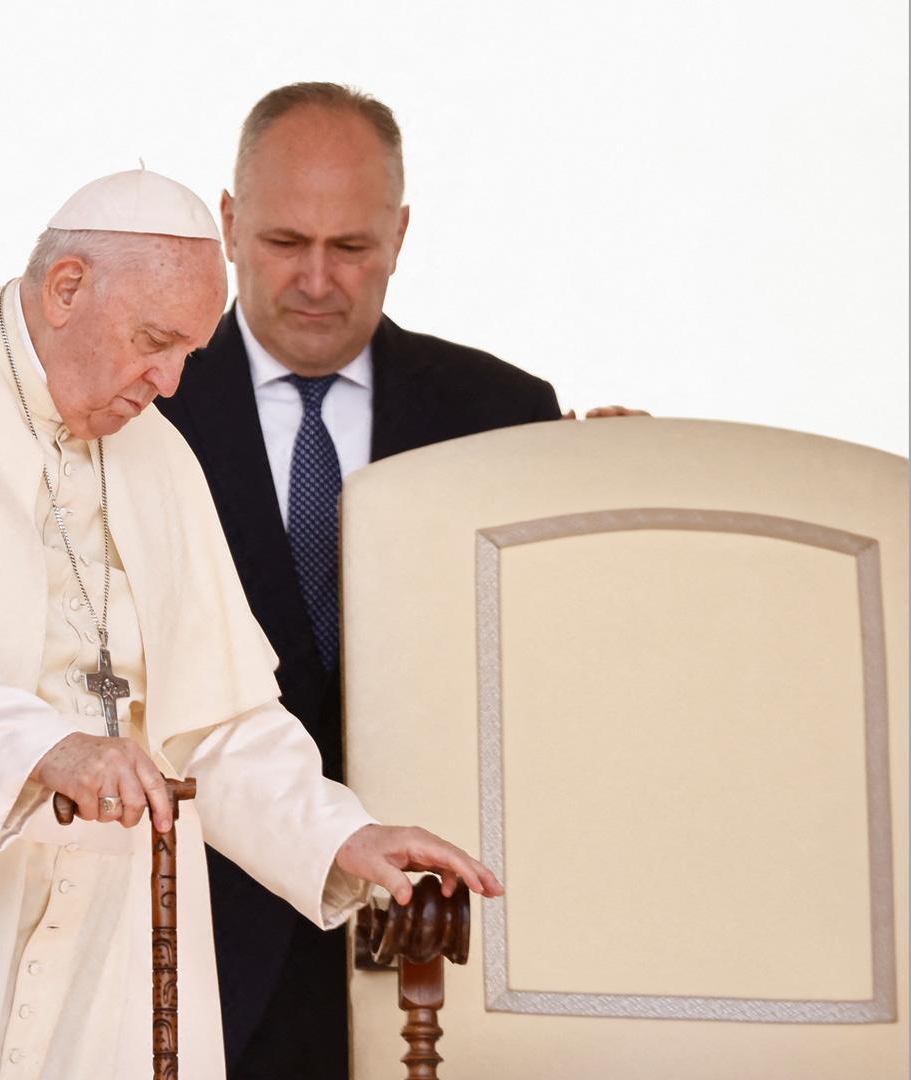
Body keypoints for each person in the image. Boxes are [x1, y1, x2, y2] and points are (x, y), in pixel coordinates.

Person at [0, 168, 503, 1080]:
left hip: (116, 932)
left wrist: (341, 837)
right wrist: (44, 751)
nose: (168, 382)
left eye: (189, 354)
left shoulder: (156, 452)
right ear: (67, 288)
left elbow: (217, 722)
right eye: (154, 343)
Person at [155, 81, 640, 1078]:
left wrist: (613, 517)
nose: (320, 281)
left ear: (402, 233)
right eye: (288, 243)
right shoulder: (142, 404)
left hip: (429, 945)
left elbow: (560, 667)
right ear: (231, 224)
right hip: (196, 938)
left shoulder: (503, 411)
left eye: (354, 247)